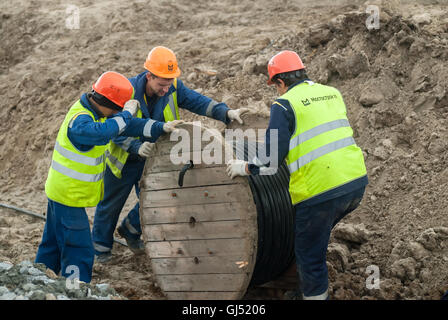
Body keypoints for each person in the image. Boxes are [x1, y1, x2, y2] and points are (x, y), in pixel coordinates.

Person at [226, 50, 368, 300]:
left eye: (276, 86)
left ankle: (313, 296)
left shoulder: (284, 104)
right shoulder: (331, 92)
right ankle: (305, 290)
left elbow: (270, 161)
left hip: (321, 191)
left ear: (280, 82)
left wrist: (246, 167)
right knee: (314, 237)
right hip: (355, 182)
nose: (277, 91)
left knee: (308, 254)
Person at [92, 46, 248, 262]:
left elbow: (198, 101)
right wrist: (135, 147)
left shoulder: (173, 86)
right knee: (110, 204)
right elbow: (113, 126)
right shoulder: (125, 91)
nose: (166, 89)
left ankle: (130, 230)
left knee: (156, 200)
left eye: (169, 84)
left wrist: (226, 112)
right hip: (124, 160)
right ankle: (100, 250)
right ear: (149, 76)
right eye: (161, 84)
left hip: (154, 158)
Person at [35, 71, 145, 283]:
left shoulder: (90, 111)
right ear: (106, 102)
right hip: (69, 196)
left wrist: (155, 126)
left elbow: (113, 127)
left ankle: (39, 278)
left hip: (61, 191)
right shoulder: (82, 123)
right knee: (80, 248)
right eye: (116, 109)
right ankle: (76, 288)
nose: (116, 113)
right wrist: (126, 115)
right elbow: (102, 133)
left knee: (53, 242)